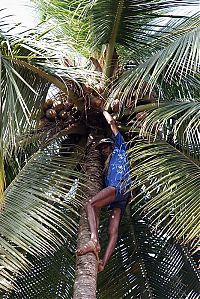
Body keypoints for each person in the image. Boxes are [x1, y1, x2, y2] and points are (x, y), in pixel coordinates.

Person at [76, 111, 131, 272]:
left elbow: (112, 124)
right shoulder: (106, 173)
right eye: (101, 149)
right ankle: (102, 264)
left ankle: (94, 239)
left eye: (106, 146)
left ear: (112, 145)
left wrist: (103, 110)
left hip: (119, 187)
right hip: (120, 197)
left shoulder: (121, 149)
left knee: (90, 204)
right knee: (113, 232)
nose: (104, 150)